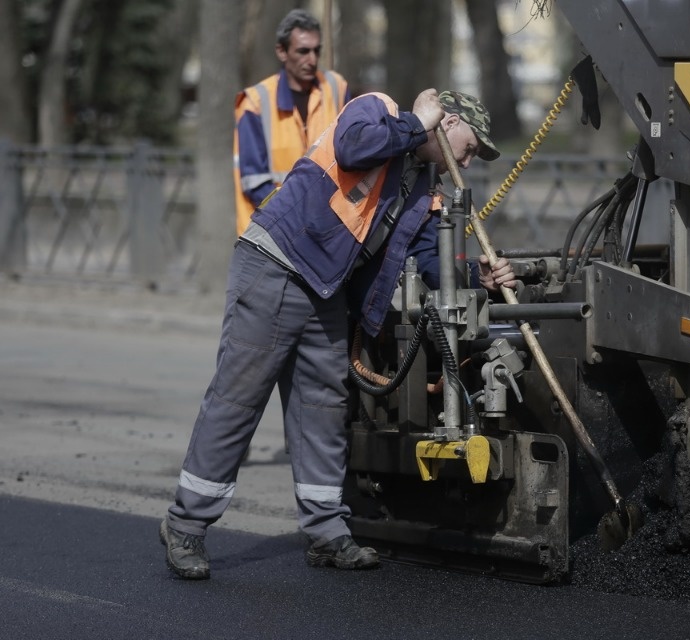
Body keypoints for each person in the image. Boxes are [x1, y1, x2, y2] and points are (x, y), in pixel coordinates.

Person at [160, 88, 517, 580]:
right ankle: (185, 526)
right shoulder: (378, 110)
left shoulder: (423, 186)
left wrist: (480, 277)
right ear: (448, 122)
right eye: (470, 148)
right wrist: (417, 123)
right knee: (238, 399)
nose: (469, 162)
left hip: (325, 288)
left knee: (323, 405)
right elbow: (353, 149)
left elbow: (425, 261)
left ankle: (326, 531)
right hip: (277, 263)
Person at [233, 8, 350, 237]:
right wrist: (300, 219)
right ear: (282, 51)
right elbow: (255, 182)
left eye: (317, 51)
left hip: (327, 232)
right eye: (303, 51)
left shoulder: (336, 88)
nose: (312, 60)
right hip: (269, 235)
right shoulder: (255, 103)